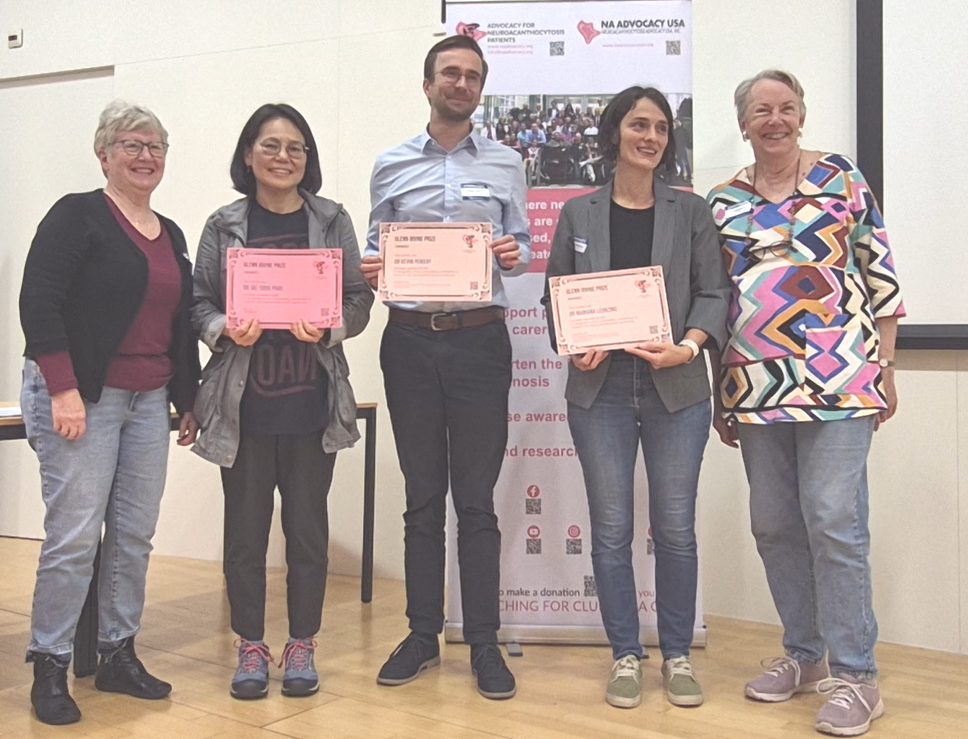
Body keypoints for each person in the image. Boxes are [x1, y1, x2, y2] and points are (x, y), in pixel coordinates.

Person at [705, 70, 904, 737]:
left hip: (842, 379)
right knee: (774, 525)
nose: (776, 119)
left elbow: (879, 270)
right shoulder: (723, 200)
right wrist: (718, 394)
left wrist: (886, 361)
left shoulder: (842, 178)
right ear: (743, 122)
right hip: (754, 387)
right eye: (762, 109)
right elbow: (718, 300)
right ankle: (805, 654)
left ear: (802, 115)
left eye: (787, 107)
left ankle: (857, 675)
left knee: (832, 519)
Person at [543, 86, 729, 710]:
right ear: (615, 131)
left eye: (660, 128)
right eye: (638, 124)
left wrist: (692, 344)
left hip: (675, 386)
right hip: (601, 390)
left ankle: (676, 653)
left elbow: (714, 292)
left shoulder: (690, 210)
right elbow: (556, 295)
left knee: (675, 529)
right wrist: (573, 343)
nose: (650, 136)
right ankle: (625, 652)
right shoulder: (579, 212)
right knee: (611, 529)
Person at [18, 100, 200, 725]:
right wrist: (63, 388)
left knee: (132, 534)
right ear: (104, 154)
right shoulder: (77, 216)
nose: (145, 155)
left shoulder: (170, 233)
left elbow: (177, 326)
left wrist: (187, 399)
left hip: (149, 400)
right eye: (131, 144)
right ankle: (50, 661)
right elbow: (39, 303)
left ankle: (118, 653)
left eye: (156, 146)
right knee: (74, 538)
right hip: (82, 397)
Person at [361, 34, 530, 700]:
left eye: (472, 76)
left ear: (480, 89)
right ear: (428, 83)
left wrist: (512, 254)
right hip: (407, 342)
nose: (461, 83)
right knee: (421, 495)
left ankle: (483, 640)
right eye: (450, 73)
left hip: (481, 342)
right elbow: (377, 247)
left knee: (477, 501)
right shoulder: (390, 164)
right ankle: (423, 633)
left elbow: (513, 243)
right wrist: (373, 264)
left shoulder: (508, 162)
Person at [190, 103, 373, 700]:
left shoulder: (332, 219)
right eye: (271, 146)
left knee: (307, 534)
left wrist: (330, 329)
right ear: (248, 154)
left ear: (307, 159)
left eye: (296, 148)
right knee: (244, 537)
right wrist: (222, 326)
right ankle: (249, 644)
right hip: (243, 410)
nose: (283, 157)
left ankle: (301, 644)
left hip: (311, 405)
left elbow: (357, 299)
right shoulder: (225, 224)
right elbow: (197, 303)